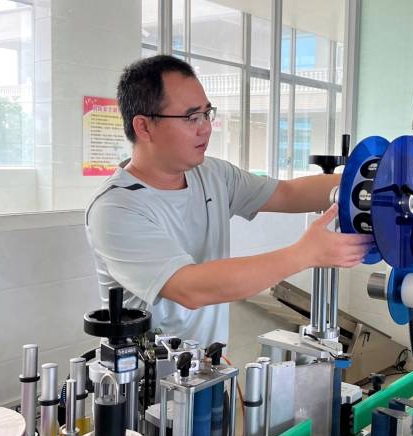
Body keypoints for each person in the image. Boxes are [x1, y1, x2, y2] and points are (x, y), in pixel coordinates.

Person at [85, 55, 370, 346]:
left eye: (207, 114)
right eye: (191, 118)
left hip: (208, 365)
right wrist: (304, 254)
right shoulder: (115, 208)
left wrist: (371, 185)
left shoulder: (211, 174)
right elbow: (189, 288)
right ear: (144, 127)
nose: (206, 128)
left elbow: (287, 193)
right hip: (147, 372)